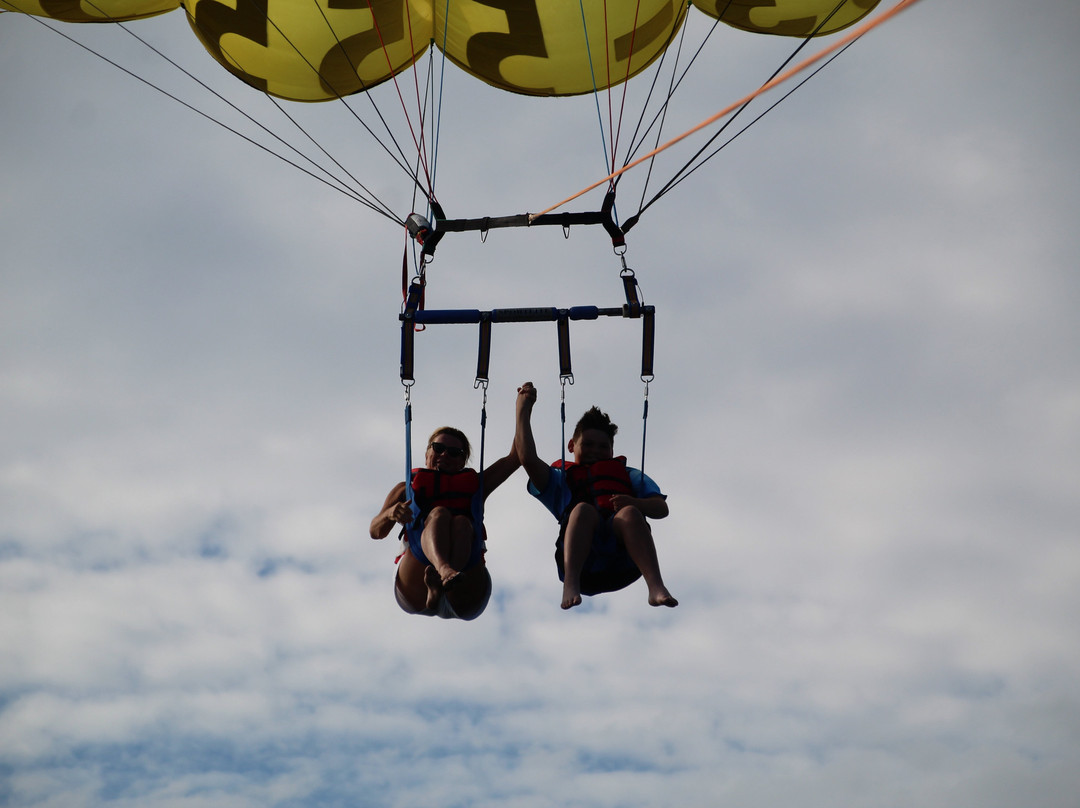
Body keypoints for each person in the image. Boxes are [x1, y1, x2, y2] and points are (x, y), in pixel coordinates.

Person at [514, 381, 678, 610]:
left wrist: (635, 502)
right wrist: (523, 410)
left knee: (629, 512)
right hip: (584, 571)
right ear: (571, 445)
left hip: (624, 565)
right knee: (582, 509)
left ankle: (656, 587)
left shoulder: (628, 476)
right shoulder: (561, 479)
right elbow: (528, 460)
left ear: (612, 450)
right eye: (588, 444)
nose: (596, 451)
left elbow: (662, 509)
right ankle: (570, 585)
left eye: (603, 447)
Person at [370, 425, 519, 620]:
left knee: (462, 524)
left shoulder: (477, 486)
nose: (445, 455)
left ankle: (442, 584)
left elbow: (516, 457)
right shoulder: (405, 489)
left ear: (462, 462)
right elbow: (376, 531)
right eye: (438, 448)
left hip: (464, 589)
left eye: (454, 453)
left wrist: (523, 408)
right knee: (439, 513)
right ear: (427, 453)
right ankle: (444, 573)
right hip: (417, 582)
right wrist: (390, 513)